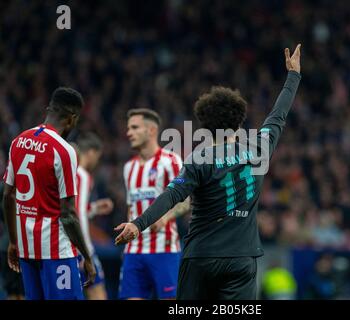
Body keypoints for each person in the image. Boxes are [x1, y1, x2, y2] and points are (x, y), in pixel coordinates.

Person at [115, 45, 302, 299]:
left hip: (201, 257)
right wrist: (293, 76)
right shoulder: (260, 147)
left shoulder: (199, 159)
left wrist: (138, 225)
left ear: (206, 125)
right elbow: (277, 116)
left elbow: (171, 195)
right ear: (239, 120)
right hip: (242, 259)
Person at [2, 87, 96, 300]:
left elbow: (8, 197)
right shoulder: (63, 150)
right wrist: (87, 256)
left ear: (49, 109)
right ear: (72, 118)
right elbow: (68, 214)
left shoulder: (18, 141)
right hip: (56, 251)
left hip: (26, 250)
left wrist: (13, 242)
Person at [118, 108, 190, 300]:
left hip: (164, 250)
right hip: (134, 252)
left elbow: (186, 201)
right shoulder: (128, 167)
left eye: (134, 127)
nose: (128, 133)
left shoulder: (170, 161)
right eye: (128, 128)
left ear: (151, 130)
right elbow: (131, 208)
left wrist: (165, 217)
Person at [74, 133, 114, 300]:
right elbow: (75, 215)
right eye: (97, 156)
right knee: (97, 292)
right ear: (91, 152)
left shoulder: (70, 173)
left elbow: (74, 209)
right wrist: (84, 251)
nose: (97, 161)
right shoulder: (82, 176)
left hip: (64, 247)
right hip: (80, 248)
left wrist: (95, 208)